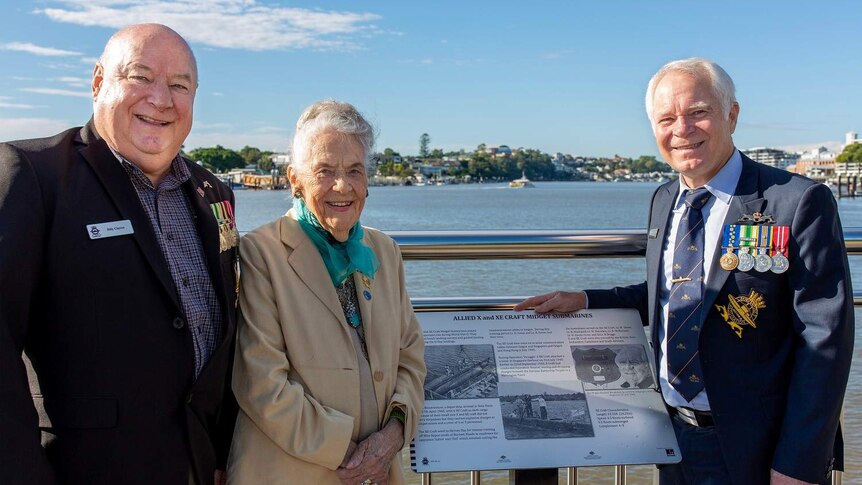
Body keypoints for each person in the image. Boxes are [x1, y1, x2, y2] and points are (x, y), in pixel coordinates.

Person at [515, 58, 852, 485]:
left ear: (732, 114)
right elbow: (673, 294)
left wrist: (798, 463)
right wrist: (584, 301)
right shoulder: (664, 199)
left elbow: (825, 341)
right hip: (673, 438)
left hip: (758, 445)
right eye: (666, 118)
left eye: (698, 113)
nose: (682, 130)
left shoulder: (797, 201)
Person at [0, 24, 239, 485]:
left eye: (179, 85)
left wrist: (224, 452)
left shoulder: (215, 192)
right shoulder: (34, 176)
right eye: (140, 76)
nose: (161, 99)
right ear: (97, 82)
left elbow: (224, 345)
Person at [226, 100, 426, 484]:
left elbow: (411, 358)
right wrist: (353, 459)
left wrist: (392, 436)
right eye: (325, 171)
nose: (342, 186)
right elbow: (260, 383)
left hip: (380, 470)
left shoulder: (384, 251)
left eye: (355, 170)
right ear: (294, 180)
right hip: (290, 473)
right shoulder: (261, 252)